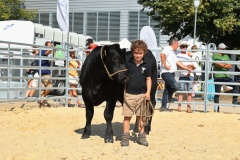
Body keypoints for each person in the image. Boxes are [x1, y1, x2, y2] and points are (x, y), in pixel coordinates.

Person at [121, 40, 151, 147]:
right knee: (127, 117)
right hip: (128, 94)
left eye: (140, 53)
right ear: (132, 52)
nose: (138, 55)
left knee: (141, 117)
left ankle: (141, 136)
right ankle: (125, 137)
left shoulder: (147, 65)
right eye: (136, 53)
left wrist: (148, 92)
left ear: (144, 53)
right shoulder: (127, 63)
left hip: (141, 95)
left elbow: (148, 79)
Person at [160, 38, 193, 112]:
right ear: (174, 44)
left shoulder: (172, 53)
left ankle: (163, 106)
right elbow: (162, 55)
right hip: (166, 72)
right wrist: (165, 65)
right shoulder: (167, 48)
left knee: (167, 89)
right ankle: (169, 97)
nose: (177, 46)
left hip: (170, 73)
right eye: (177, 44)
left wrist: (187, 68)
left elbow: (178, 63)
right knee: (176, 86)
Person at [212, 43, 239, 112]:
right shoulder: (215, 55)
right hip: (218, 76)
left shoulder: (226, 56)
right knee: (217, 92)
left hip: (226, 76)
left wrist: (222, 65)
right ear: (219, 49)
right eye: (224, 49)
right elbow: (217, 64)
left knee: (236, 85)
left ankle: (234, 100)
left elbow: (230, 66)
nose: (225, 50)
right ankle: (216, 108)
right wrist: (225, 65)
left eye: (225, 49)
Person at [176, 41, 197, 113]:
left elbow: (192, 65)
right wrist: (188, 67)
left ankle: (188, 107)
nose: (185, 48)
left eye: (186, 47)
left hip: (189, 74)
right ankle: (179, 107)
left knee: (189, 92)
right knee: (181, 91)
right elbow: (179, 65)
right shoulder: (177, 56)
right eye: (183, 46)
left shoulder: (189, 56)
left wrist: (189, 69)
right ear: (180, 47)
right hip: (182, 75)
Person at [35, 41, 53, 107]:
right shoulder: (43, 51)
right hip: (45, 73)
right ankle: (42, 100)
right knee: (50, 87)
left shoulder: (37, 55)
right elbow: (46, 52)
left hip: (40, 74)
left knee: (43, 89)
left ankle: (42, 102)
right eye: (49, 45)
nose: (50, 47)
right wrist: (52, 49)